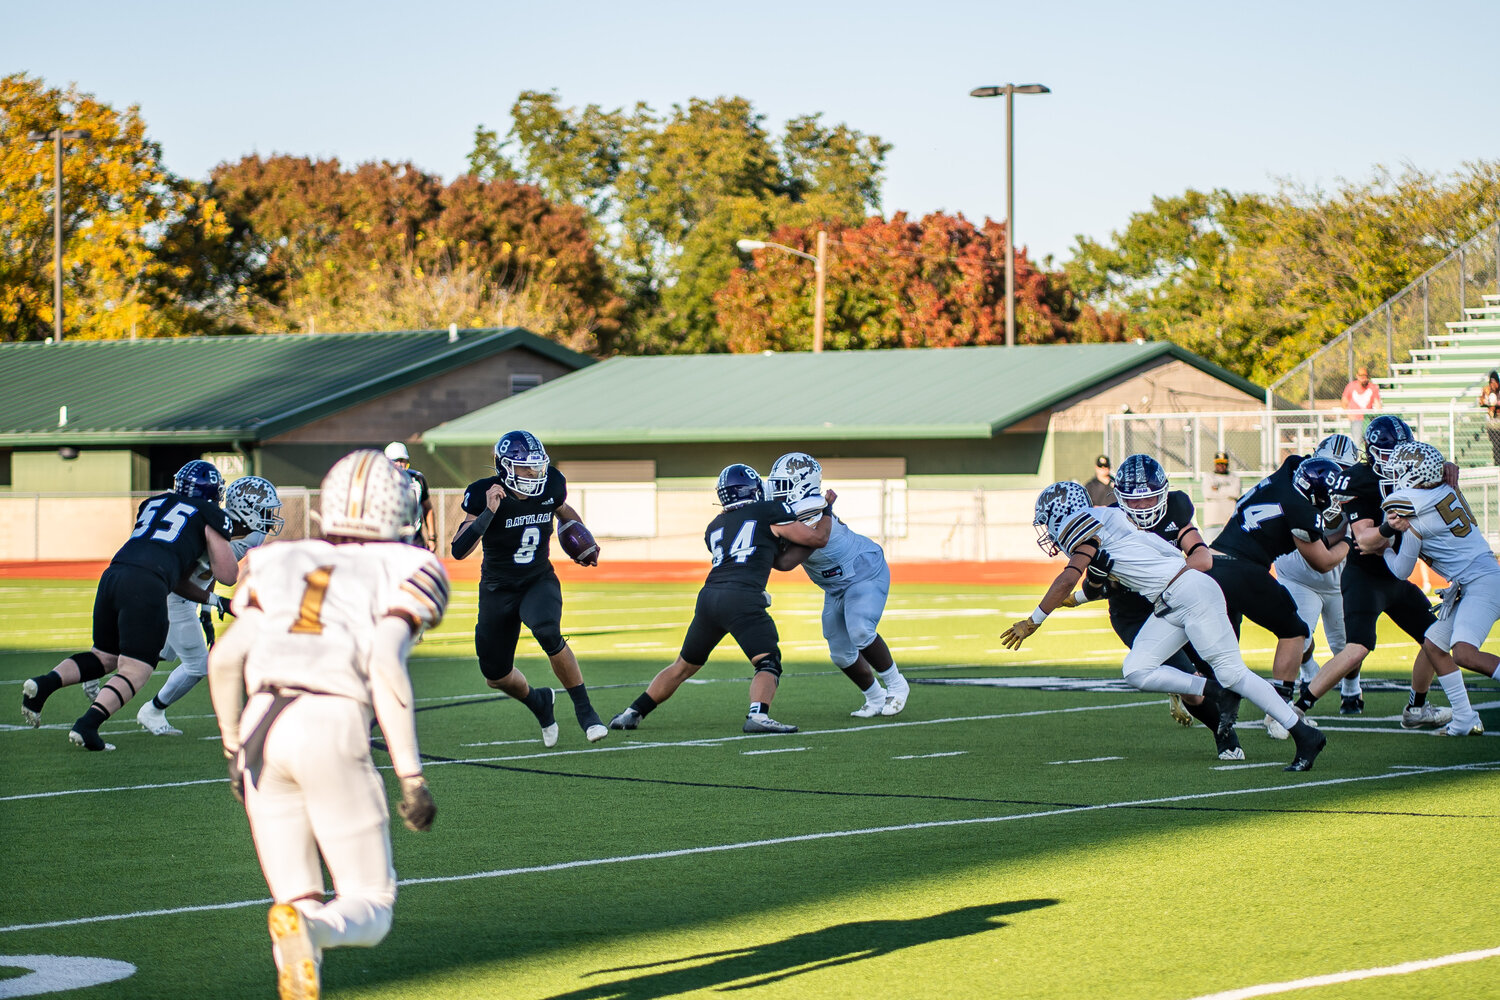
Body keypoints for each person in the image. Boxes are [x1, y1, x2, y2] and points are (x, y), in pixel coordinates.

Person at [207, 449, 446, 1000]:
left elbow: (224, 660)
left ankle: (304, 927)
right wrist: (411, 775)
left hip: (259, 726)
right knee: (370, 903)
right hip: (331, 718)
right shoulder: (409, 565)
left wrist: (230, 747)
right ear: (398, 510)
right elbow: (385, 661)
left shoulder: (279, 559)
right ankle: (313, 929)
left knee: (296, 896)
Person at [1004, 481, 1326, 771]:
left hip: (1188, 594)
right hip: (1171, 601)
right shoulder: (1108, 521)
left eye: (1048, 520)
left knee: (1233, 673)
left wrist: (1034, 620)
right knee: (1137, 670)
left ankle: (1304, 735)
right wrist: (1072, 600)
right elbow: (1096, 579)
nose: (1048, 530)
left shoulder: (1084, 524)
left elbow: (1071, 573)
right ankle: (1214, 691)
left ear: (1061, 513)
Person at [21, 461, 238, 751]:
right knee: (136, 670)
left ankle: (43, 685)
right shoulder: (210, 513)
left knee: (105, 656)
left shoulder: (155, 503)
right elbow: (228, 574)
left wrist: (211, 597)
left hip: (114, 573)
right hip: (147, 584)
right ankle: (87, 726)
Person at [609, 464, 832, 734]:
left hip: (709, 597)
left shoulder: (714, 525)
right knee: (767, 661)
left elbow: (781, 562)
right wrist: (827, 509)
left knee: (683, 666)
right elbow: (817, 538)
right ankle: (758, 715)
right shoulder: (768, 510)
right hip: (742, 597)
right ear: (754, 489)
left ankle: (632, 712)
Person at [1297, 441, 1488, 736]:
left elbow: (1399, 558)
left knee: (1433, 640)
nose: (1393, 462)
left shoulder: (1413, 493)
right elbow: (1363, 540)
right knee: (1358, 648)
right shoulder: (1361, 481)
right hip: (1365, 577)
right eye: (1387, 454)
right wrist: (1390, 528)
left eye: (1398, 455)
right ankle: (1296, 708)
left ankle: (1418, 709)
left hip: (1396, 576)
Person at [1072, 453, 1243, 760]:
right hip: (1134, 614)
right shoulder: (1106, 522)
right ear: (1120, 498)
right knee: (1194, 686)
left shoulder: (1176, 507)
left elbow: (1203, 559)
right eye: (1133, 501)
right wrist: (1090, 587)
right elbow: (1095, 584)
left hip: (1175, 604)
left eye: (1149, 499)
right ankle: (1225, 736)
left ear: (1163, 494)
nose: (1141, 508)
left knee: (1213, 664)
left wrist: (1166, 583)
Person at [451, 430, 606, 746]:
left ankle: (586, 712)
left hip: (538, 579)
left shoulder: (551, 484)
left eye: (536, 466)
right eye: (524, 467)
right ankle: (539, 702)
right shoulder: (484, 494)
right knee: (495, 675)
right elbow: (459, 549)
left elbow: (563, 510)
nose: (533, 473)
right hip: (498, 587)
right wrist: (489, 513)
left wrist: (581, 537)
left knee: (547, 630)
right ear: (505, 467)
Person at [1206, 450, 1351, 739]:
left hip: (1213, 563)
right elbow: (1322, 562)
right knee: (1294, 630)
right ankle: (1279, 712)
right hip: (1241, 568)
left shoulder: (1287, 473)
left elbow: (1300, 460)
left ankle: (1198, 688)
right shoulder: (1299, 508)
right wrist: (1350, 539)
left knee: (1224, 649)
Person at [765, 452, 911, 718]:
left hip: (863, 571)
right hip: (836, 585)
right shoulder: (790, 511)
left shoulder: (811, 511)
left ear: (803, 485)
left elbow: (786, 562)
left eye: (783, 485)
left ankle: (897, 685)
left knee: (860, 630)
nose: (775, 491)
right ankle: (875, 697)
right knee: (841, 653)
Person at [137, 476, 284, 736]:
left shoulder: (254, 534)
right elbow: (179, 580)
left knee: (156, 652)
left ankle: (99, 664)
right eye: (264, 510)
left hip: (191, 597)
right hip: (175, 594)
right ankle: (153, 709)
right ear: (246, 509)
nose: (269, 517)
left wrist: (206, 612)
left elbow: (215, 570)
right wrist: (216, 602)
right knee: (198, 665)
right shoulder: (210, 526)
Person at [1270, 434, 1362, 713]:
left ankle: (1351, 688)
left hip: (1340, 579)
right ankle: (1308, 667)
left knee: (1346, 646)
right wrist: (1347, 540)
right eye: (1327, 465)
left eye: (1342, 468)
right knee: (1298, 635)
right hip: (1299, 573)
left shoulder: (1361, 487)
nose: (1332, 474)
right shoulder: (1295, 483)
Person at [385, 442, 435, 551]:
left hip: (414, 538)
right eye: (395, 461)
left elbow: (427, 508)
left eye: (402, 460)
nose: (399, 464)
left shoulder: (417, 479)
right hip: (389, 538)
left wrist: (432, 537)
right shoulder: (381, 481)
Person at [1200, 451, 1240, 536]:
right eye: (1219, 463)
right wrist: (1228, 495)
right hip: (1211, 522)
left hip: (1229, 522)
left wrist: (1217, 490)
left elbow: (1235, 493)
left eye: (1223, 463)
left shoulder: (1234, 478)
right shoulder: (1208, 477)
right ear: (1215, 464)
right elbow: (1207, 493)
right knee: (1209, 548)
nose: (1221, 466)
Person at [1341, 366, 1381, 436]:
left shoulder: (1373, 387)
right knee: (1357, 441)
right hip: (1356, 419)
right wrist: (1350, 415)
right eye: (1361, 376)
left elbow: (1377, 403)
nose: (1363, 378)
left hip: (1368, 419)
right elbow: (1344, 402)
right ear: (1357, 376)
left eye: (1365, 376)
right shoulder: (1351, 386)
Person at [1479, 370, 1500, 466]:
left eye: (1494, 382)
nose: (1493, 384)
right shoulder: (1486, 390)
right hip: (1492, 420)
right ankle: (1497, 462)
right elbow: (1481, 401)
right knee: (1495, 444)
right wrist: (1488, 403)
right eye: (1491, 382)